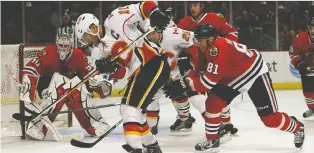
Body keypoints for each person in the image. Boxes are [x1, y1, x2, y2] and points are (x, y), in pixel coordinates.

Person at [163, 24, 305, 152]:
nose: (198, 43)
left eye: (201, 40)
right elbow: (199, 69)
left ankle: (298, 128)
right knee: (212, 103)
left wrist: (184, 86)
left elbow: (207, 83)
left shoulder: (218, 49)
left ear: (211, 38)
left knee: (270, 119)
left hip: (253, 72)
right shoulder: (204, 47)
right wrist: (185, 82)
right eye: (198, 40)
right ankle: (212, 139)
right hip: (233, 76)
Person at [74, 1, 171, 152]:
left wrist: (155, 13)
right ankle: (151, 145)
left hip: (153, 62)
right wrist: (111, 68)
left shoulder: (115, 18)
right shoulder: (97, 52)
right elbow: (122, 74)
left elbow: (145, 5)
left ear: (93, 28)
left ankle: (135, 148)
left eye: (85, 37)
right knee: (134, 111)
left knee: (128, 108)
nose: (85, 42)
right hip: (140, 73)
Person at [20, 34, 112, 141]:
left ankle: (95, 124)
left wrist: (99, 84)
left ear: (71, 45)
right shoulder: (48, 52)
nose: (63, 48)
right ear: (56, 44)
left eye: (66, 46)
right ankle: (36, 126)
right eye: (61, 45)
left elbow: (89, 73)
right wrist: (28, 83)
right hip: (47, 88)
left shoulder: (78, 55)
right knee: (59, 80)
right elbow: (31, 68)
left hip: (69, 89)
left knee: (77, 85)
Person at [170, 1, 239, 134]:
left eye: (195, 5)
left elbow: (232, 33)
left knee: (218, 91)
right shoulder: (184, 22)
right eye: (190, 6)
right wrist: (180, 57)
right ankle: (183, 118)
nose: (192, 8)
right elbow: (176, 42)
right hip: (193, 63)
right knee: (185, 91)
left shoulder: (215, 18)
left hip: (214, 60)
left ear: (202, 6)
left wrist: (228, 51)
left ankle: (226, 123)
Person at [290, 16, 314, 118]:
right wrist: (300, 65)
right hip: (307, 68)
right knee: (308, 92)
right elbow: (293, 53)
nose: (313, 30)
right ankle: (312, 108)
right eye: (312, 27)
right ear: (308, 28)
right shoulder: (301, 37)